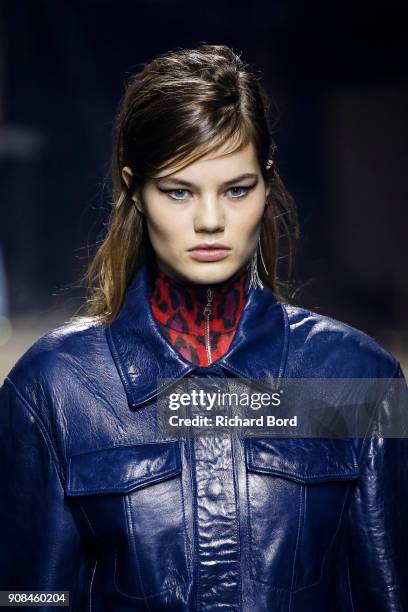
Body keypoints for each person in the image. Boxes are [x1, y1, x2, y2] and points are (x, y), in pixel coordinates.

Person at [0, 43, 407, 612]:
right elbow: (26, 598)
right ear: (134, 192)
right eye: (178, 191)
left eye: (236, 189)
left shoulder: (355, 379)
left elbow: (387, 593)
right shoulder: (57, 389)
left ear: (268, 187)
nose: (211, 221)